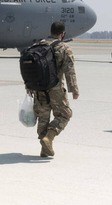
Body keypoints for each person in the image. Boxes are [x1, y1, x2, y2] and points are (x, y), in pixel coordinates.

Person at [28, 21, 79, 157]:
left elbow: (30, 67)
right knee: (64, 114)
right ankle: (48, 139)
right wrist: (73, 89)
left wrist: (28, 85)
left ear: (51, 31)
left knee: (43, 118)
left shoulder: (37, 45)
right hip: (55, 87)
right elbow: (69, 70)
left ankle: (44, 149)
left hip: (38, 88)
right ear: (62, 33)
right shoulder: (64, 47)